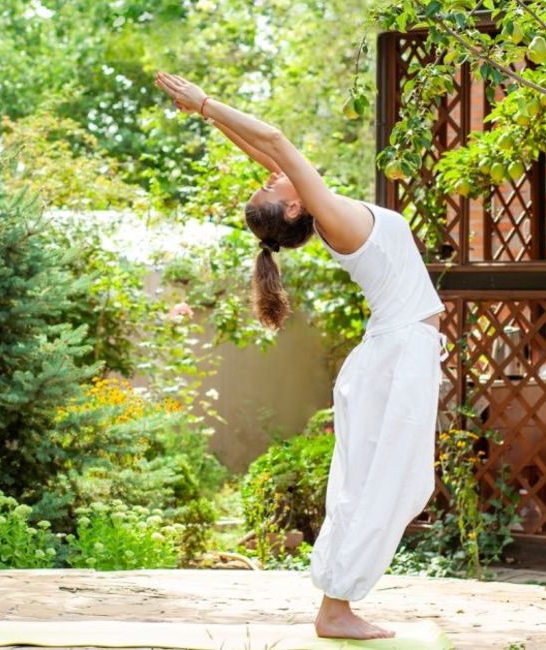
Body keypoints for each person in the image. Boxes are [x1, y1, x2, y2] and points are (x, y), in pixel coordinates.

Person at [155, 71, 446, 640]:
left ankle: (334, 601)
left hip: (396, 353)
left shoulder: (324, 209)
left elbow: (265, 150)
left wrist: (209, 117)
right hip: (398, 357)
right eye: (269, 188)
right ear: (292, 211)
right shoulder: (336, 220)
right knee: (386, 483)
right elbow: (278, 141)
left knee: (383, 482)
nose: (270, 178)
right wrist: (208, 100)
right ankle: (336, 607)